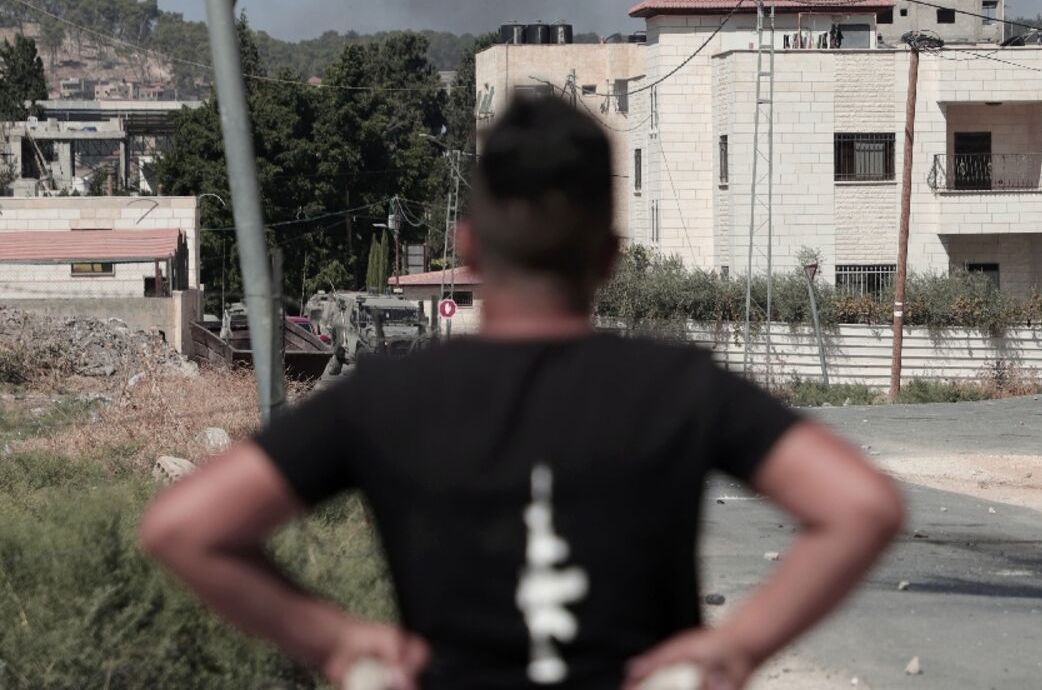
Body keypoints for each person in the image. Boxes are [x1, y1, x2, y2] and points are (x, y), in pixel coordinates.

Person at [140, 96, 905, 690]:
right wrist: (734, 648)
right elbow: (861, 506)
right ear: (608, 257)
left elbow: (186, 528)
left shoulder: (386, 396)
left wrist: (333, 640)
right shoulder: (678, 386)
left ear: (468, 246)